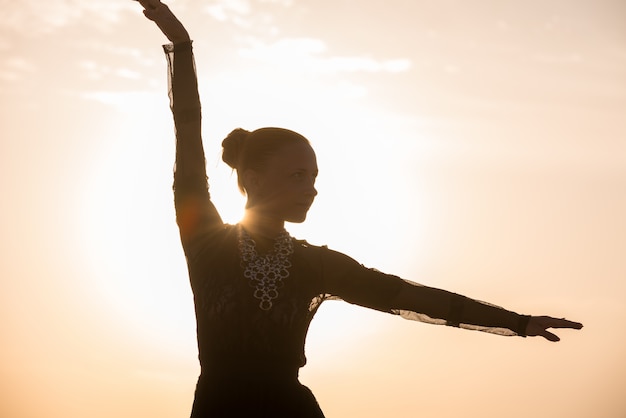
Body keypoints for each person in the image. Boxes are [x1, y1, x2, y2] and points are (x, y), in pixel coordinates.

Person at [134, 1, 583, 417]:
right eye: (296, 176)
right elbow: (187, 127)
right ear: (251, 178)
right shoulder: (207, 241)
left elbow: (415, 297)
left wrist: (518, 323)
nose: (310, 190)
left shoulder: (318, 265)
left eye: (313, 178)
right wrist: (181, 42)